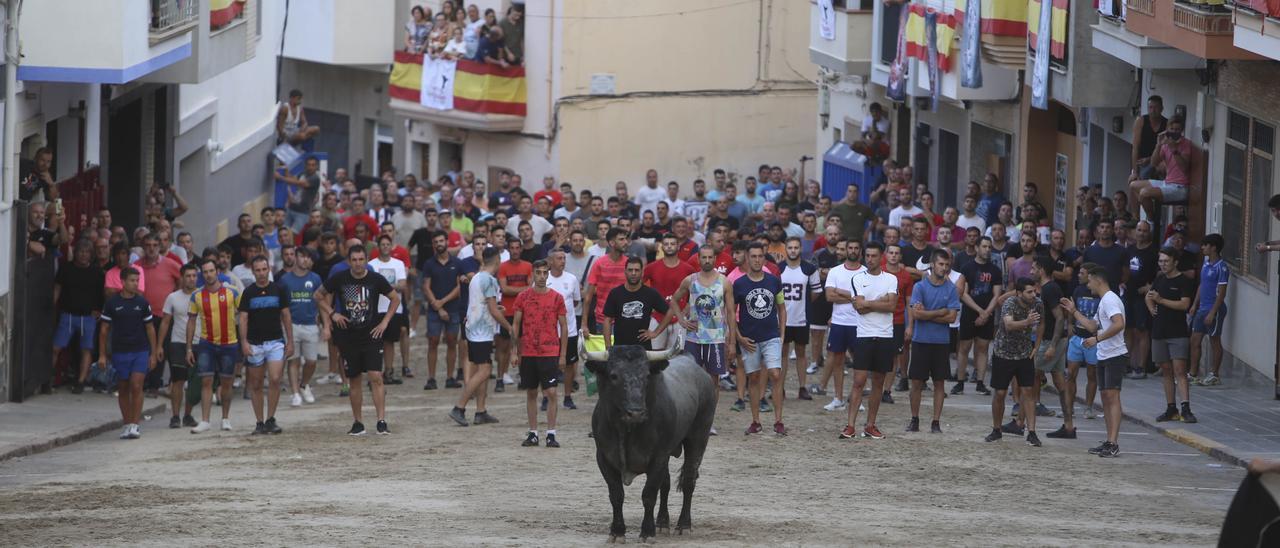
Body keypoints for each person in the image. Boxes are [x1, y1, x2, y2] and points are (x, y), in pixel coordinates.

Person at [314, 245, 399, 436]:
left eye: (361, 259)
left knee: (376, 376)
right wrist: (332, 313)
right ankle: (358, 422)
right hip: (348, 335)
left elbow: (395, 298)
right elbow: (318, 295)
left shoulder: (375, 279)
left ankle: (381, 421)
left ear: (367, 260)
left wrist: (385, 322)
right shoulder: (339, 278)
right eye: (354, 260)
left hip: (372, 334)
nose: (358, 263)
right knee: (354, 380)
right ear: (349, 260)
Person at [670, 244, 737, 435]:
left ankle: (708, 421)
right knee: (691, 380)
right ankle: (691, 420)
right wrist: (681, 320)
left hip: (715, 339)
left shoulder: (724, 282)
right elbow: (674, 300)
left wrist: (731, 342)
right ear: (698, 259)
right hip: (694, 338)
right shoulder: (690, 281)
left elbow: (731, 313)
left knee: (713, 381)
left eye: (710, 258)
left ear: (715, 259)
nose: (707, 261)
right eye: (704, 258)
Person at [1063, 265, 1128, 458]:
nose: (1087, 285)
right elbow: (1092, 326)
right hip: (1104, 354)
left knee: (1112, 398)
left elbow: (1119, 323)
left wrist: (1098, 339)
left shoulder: (1110, 299)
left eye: (1089, 280)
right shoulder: (1104, 301)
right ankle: (1109, 441)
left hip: (1114, 354)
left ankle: (1113, 443)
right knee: (1107, 398)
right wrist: (1074, 312)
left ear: (1098, 280)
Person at [838, 242, 897, 440]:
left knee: (878, 382)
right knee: (859, 381)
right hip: (864, 335)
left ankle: (870, 425)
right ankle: (850, 425)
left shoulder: (891, 279)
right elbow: (859, 308)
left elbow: (892, 306)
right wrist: (880, 302)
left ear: (881, 257)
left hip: (885, 335)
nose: (870, 259)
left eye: (874, 256)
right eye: (868, 255)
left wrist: (869, 303)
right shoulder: (857, 278)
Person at [450, 247, 512, 426]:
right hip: (481, 332)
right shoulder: (489, 280)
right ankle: (459, 407)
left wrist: (494, 309)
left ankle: (481, 410)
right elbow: (493, 309)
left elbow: (483, 304)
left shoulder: (477, 277)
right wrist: (508, 326)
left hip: (473, 328)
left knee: (482, 370)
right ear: (498, 260)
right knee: (484, 371)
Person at [731, 243, 787, 435]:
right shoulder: (738, 284)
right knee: (753, 378)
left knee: (776, 374)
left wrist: (782, 333)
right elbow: (730, 313)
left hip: (771, 336)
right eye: (753, 256)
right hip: (749, 339)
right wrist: (738, 338)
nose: (756, 260)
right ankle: (756, 421)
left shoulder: (774, 281)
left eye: (759, 256)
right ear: (747, 257)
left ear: (764, 258)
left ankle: (778, 421)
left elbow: (782, 307)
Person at [512, 260, 568, 448]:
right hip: (528, 351)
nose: (542, 276)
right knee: (531, 392)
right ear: (533, 274)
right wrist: (515, 351)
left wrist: (563, 354)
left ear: (549, 274)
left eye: (545, 273)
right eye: (539, 273)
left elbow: (564, 326)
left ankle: (551, 433)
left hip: (549, 350)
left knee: (551, 392)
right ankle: (533, 432)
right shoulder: (523, 297)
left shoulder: (557, 298)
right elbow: (516, 325)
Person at [98, 268, 159, 440]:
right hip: (120, 351)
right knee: (123, 387)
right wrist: (102, 355)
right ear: (123, 282)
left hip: (140, 350)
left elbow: (150, 329)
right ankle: (126, 423)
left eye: (137, 280)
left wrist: (153, 354)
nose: (135, 283)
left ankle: (135, 424)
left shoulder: (142, 302)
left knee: (136, 385)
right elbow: (104, 330)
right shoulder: (112, 303)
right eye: (132, 280)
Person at [984, 277, 1045, 447]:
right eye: (1029, 291)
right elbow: (1009, 325)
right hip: (1003, 353)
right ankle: (997, 429)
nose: (1034, 294)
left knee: (1028, 391)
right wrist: (1027, 322)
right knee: (1000, 393)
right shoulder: (1010, 303)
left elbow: (1042, 324)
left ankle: (1032, 432)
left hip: (1025, 353)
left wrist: (1037, 346)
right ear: (1019, 293)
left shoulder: (1038, 303)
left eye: (1034, 291)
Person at [905, 249, 960, 433]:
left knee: (939, 383)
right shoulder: (920, 287)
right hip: (921, 340)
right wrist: (939, 312)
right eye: (940, 264)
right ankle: (915, 419)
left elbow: (952, 318)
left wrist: (927, 314)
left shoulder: (951, 288)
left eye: (946, 265)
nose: (944, 268)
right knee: (916, 383)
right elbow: (916, 314)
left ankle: (936, 422)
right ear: (932, 264)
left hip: (941, 342)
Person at [237, 256, 293, 435]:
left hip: (275, 341)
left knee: (275, 379)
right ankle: (259, 421)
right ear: (253, 271)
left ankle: (271, 418)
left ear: (268, 269)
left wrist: (290, 341)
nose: (261, 273)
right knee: (256, 383)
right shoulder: (248, 292)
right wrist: (244, 342)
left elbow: (286, 315)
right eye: (258, 270)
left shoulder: (278, 289)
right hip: (255, 343)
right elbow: (243, 318)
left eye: (264, 269)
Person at [187, 259, 242, 433]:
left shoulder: (232, 292)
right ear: (202, 274)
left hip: (229, 343)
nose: (209, 275)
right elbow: (191, 321)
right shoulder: (196, 295)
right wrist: (189, 347)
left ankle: (225, 418)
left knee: (226, 382)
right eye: (205, 272)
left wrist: (246, 339)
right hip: (206, 343)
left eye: (211, 271)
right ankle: (205, 420)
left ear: (217, 271)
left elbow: (245, 314)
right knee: (206, 381)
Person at [1147, 247, 1197, 423]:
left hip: (1177, 331)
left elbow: (1184, 305)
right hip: (1159, 330)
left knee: (1180, 370)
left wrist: (1161, 301)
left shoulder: (1184, 281)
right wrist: (1151, 306)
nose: (1163, 264)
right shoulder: (1159, 279)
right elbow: (1149, 295)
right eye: (1160, 261)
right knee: (1166, 370)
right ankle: (1170, 407)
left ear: (1175, 262)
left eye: (1166, 261)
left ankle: (1186, 407)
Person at [54, 240, 105, 394]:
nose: (84, 255)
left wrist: (99, 310)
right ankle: (47, 378)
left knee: (86, 349)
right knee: (55, 347)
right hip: (67, 315)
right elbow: (57, 288)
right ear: (75, 253)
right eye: (81, 251)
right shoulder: (66, 268)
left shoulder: (97, 272)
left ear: (91, 255)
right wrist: (52, 306)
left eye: (87, 252)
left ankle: (81, 381)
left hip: (87, 317)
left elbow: (101, 294)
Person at [952, 237, 1001, 396]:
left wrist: (986, 313)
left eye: (989, 247)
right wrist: (980, 311)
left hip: (988, 314)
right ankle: (960, 382)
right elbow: (963, 293)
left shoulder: (995, 270)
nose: (987, 249)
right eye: (984, 246)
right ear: (978, 247)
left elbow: (997, 295)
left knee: (983, 348)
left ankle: (980, 382)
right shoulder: (967, 268)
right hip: (969, 313)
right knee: (964, 348)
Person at [822, 239, 867, 412]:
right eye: (851, 247)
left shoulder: (866, 272)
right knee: (838, 361)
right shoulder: (835, 271)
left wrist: (841, 291)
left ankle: (857, 399)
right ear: (846, 250)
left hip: (860, 324)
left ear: (860, 251)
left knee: (860, 363)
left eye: (856, 247)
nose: (853, 250)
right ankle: (838, 398)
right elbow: (829, 297)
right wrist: (854, 297)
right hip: (839, 322)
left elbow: (867, 299)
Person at [279, 248, 322, 407]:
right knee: (293, 360)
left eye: (308, 257)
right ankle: (295, 393)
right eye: (302, 256)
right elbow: (281, 304)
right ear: (296, 257)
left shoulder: (316, 278)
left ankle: (304, 385)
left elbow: (321, 301)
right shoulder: (284, 280)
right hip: (291, 325)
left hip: (311, 324)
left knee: (311, 361)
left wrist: (326, 324)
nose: (305, 260)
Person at [779, 237, 819, 402]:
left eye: (796, 247)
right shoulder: (778, 268)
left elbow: (816, 292)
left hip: (801, 318)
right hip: (782, 319)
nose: (793, 250)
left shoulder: (809, 268)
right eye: (790, 247)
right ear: (786, 249)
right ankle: (779, 388)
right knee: (782, 354)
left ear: (801, 248)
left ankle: (802, 387)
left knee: (801, 353)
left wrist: (805, 303)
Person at [422, 231, 464, 390]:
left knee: (452, 341)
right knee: (433, 342)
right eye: (436, 241)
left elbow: (459, 287)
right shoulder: (429, 264)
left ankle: (450, 377)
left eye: (441, 241)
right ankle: (431, 378)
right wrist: (437, 306)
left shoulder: (457, 263)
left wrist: (442, 302)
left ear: (447, 242)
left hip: (452, 308)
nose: (439, 244)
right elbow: (426, 287)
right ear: (433, 244)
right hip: (434, 310)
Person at [158, 264, 199, 428]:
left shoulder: (202, 295)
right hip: (177, 342)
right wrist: (159, 346)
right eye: (188, 276)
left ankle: (188, 415)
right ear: (182, 278)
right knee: (178, 381)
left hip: (198, 343)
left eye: (194, 276)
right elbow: (165, 322)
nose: (191, 279)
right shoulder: (173, 297)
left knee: (194, 382)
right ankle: (175, 416)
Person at [603, 257, 674, 349]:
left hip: (643, 349)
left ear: (642, 272)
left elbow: (670, 312)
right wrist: (608, 347)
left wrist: (655, 333)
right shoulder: (615, 293)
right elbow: (607, 320)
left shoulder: (650, 293)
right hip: (620, 349)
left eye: (636, 270)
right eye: (630, 270)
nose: (633, 273)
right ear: (625, 271)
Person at [1130, 116, 1191, 220]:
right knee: (1133, 185)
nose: (1174, 132)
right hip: (1167, 183)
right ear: (1167, 129)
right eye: (1172, 129)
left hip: (1180, 187)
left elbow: (1184, 168)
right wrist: (1158, 145)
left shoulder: (1186, 144)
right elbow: (1154, 163)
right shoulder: (1165, 144)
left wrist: (1174, 149)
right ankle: (1151, 218)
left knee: (1144, 192)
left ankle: (1151, 222)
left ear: (1181, 131)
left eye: (1177, 130)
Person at [643, 233, 698, 349]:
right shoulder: (651, 267)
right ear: (661, 247)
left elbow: (695, 292)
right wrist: (647, 306)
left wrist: (687, 309)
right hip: (657, 317)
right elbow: (638, 287)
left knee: (678, 356)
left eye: (672, 244)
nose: (669, 246)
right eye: (666, 244)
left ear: (678, 247)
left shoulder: (688, 269)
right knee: (654, 355)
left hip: (680, 318)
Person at [545, 248, 583, 410]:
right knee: (548, 365)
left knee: (569, 364)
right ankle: (547, 396)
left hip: (570, 330)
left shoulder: (572, 279)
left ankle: (567, 396)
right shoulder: (543, 279)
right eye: (559, 258)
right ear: (551, 261)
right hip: (549, 331)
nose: (562, 261)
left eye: (563, 258)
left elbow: (575, 301)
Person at [1064, 264, 1102, 423]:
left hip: (1092, 339)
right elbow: (1072, 308)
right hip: (1077, 337)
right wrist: (1070, 324)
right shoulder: (1078, 290)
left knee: (1092, 374)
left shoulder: (1099, 293)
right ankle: (1069, 408)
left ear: (1091, 276)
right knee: (1071, 374)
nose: (1078, 275)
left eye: (1082, 273)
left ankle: (1088, 407)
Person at [1189, 234, 1229, 386]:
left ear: (1214, 247)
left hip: (1214, 309)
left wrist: (1213, 312)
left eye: (1205, 245)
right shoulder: (1206, 264)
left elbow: (1222, 292)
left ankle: (1214, 374)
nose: (1202, 248)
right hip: (1201, 308)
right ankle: (1193, 374)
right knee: (1195, 340)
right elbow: (1202, 285)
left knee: (1214, 340)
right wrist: (1194, 304)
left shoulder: (1222, 267)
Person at [370, 235, 410, 385]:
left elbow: (403, 285)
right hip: (375, 308)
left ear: (391, 246)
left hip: (394, 308)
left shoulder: (398, 264)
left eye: (388, 244)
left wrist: (383, 286)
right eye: (382, 244)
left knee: (390, 342)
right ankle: (375, 373)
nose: (385, 247)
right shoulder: (371, 264)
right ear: (378, 247)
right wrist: (391, 286)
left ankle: (389, 371)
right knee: (375, 342)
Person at [495, 238, 533, 391]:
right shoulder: (502, 267)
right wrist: (523, 289)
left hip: (524, 311)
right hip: (507, 311)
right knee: (503, 347)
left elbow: (530, 288)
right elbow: (504, 289)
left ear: (521, 249)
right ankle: (500, 377)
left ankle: (522, 377)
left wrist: (515, 290)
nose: (515, 250)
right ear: (508, 249)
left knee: (522, 347)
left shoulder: (528, 266)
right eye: (512, 248)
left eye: (518, 247)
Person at [277, 157, 323, 232]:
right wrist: (286, 170)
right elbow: (292, 179)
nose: (310, 167)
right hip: (291, 208)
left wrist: (280, 177)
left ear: (317, 166)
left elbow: (300, 183)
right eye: (309, 165)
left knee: (293, 234)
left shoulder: (315, 178)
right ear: (305, 165)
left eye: (313, 165)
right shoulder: (303, 173)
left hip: (302, 213)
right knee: (283, 232)